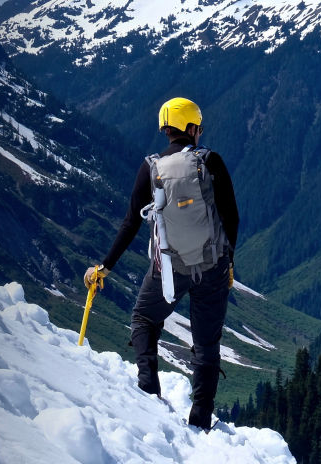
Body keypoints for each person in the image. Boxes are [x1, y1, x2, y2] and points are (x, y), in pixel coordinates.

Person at [84, 97, 239, 430]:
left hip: (168, 268)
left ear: (166, 129)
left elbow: (131, 222)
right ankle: (200, 421)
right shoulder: (210, 161)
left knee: (143, 317)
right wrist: (228, 261)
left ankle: (148, 387)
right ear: (191, 128)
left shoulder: (151, 167)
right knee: (206, 344)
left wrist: (105, 267)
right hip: (212, 265)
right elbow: (231, 216)